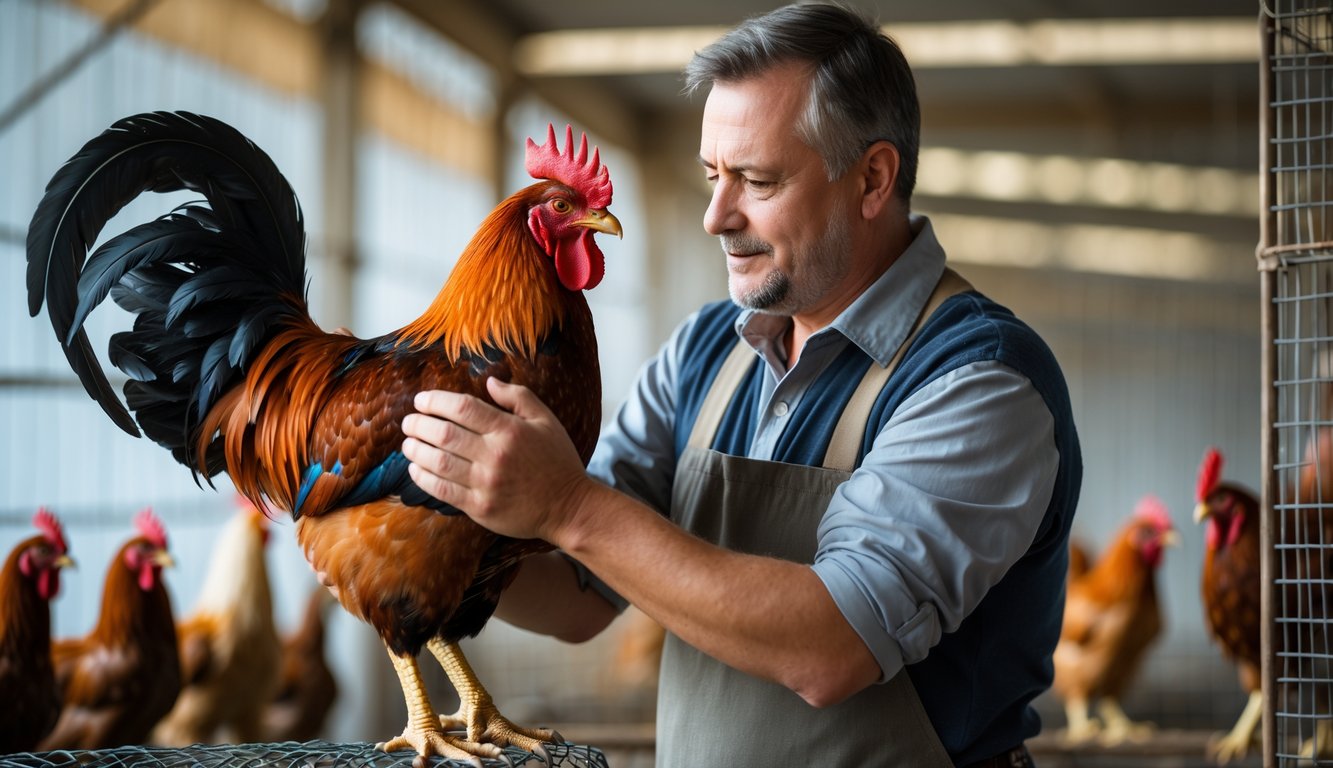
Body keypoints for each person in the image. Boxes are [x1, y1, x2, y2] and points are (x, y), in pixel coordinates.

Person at [400, 3, 1081, 766]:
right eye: (712, 176)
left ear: (872, 179)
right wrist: (414, 542)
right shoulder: (703, 353)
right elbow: (577, 596)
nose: (715, 216)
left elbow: (833, 648)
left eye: (756, 180)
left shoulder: (978, 379)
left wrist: (564, 504)